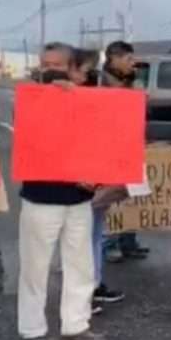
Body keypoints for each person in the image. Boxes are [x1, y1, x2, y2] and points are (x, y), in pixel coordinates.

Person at [17, 42, 106, 340]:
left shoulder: (88, 98)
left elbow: (103, 138)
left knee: (80, 265)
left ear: (72, 67)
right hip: (41, 198)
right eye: (45, 62)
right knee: (34, 268)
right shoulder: (32, 97)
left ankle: (76, 324)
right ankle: (32, 330)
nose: (49, 68)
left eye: (56, 63)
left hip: (79, 198)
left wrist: (97, 173)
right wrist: (53, 94)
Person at [72, 48, 126, 305]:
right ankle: (84, 291)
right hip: (79, 179)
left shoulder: (104, 94)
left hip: (98, 176)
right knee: (83, 236)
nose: (91, 75)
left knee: (93, 233)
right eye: (88, 71)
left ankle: (92, 285)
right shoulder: (73, 100)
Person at [100, 41, 150, 262]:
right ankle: (109, 244)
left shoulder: (129, 82)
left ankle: (128, 241)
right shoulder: (102, 83)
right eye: (129, 59)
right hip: (110, 147)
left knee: (131, 195)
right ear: (114, 58)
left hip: (129, 144)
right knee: (109, 198)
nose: (133, 63)